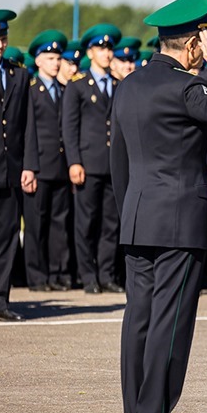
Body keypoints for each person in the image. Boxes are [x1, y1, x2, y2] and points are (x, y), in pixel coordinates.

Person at [111, 0, 207, 413]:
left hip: (138, 217)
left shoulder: (129, 84)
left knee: (139, 319)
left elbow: (119, 160)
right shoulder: (186, 87)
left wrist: (129, 211)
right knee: (170, 323)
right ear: (194, 44)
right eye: (203, 43)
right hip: (178, 222)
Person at [62, 23, 124, 294]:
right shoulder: (78, 86)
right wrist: (74, 161)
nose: (107, 53)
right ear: (90, 52)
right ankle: (88, 276)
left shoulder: (118, 84)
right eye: (101, 48)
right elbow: (69, 126)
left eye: (109, 48)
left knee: (110, 223)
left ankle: (106, 274)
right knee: (86, 222)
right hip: (88, 163)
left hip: (112, 164)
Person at [0, 9, 38, 322]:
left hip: (10, 170)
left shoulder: (19, 75)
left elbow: (28, 124)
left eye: (2, 37)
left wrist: (29, 165)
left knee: (6, 239)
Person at [23, 30, 72, 292]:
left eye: (57, 57)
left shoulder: (64, 90)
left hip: (61, 167)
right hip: (40, 167)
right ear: (38, 60)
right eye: (50, 57)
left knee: (59, 224)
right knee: (35, 226)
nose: (56, 62)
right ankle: (37, 276)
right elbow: (29, 131)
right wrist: (29, 166)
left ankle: (58, 273)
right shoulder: (30, 90)